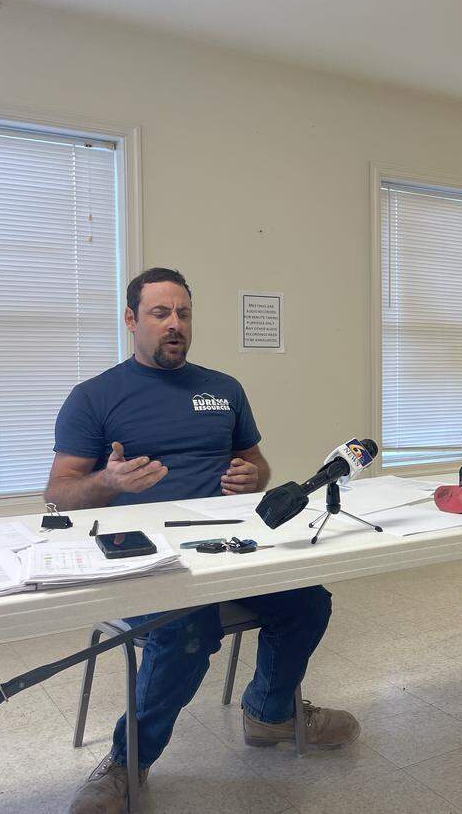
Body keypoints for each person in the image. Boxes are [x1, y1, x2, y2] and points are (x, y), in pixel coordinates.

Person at [46, 268, 358, 814]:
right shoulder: (94, 397)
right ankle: (127, 762)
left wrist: (251, 476)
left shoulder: (223, 388)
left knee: (308, 602)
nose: (174, 325)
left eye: (183, 314)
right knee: (187, 630)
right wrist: (109, 483)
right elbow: (58, 494)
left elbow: (256, 463)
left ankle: (269, 713)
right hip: (143, 555)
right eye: (160, 313)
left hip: (227, 545)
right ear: (130, 320)